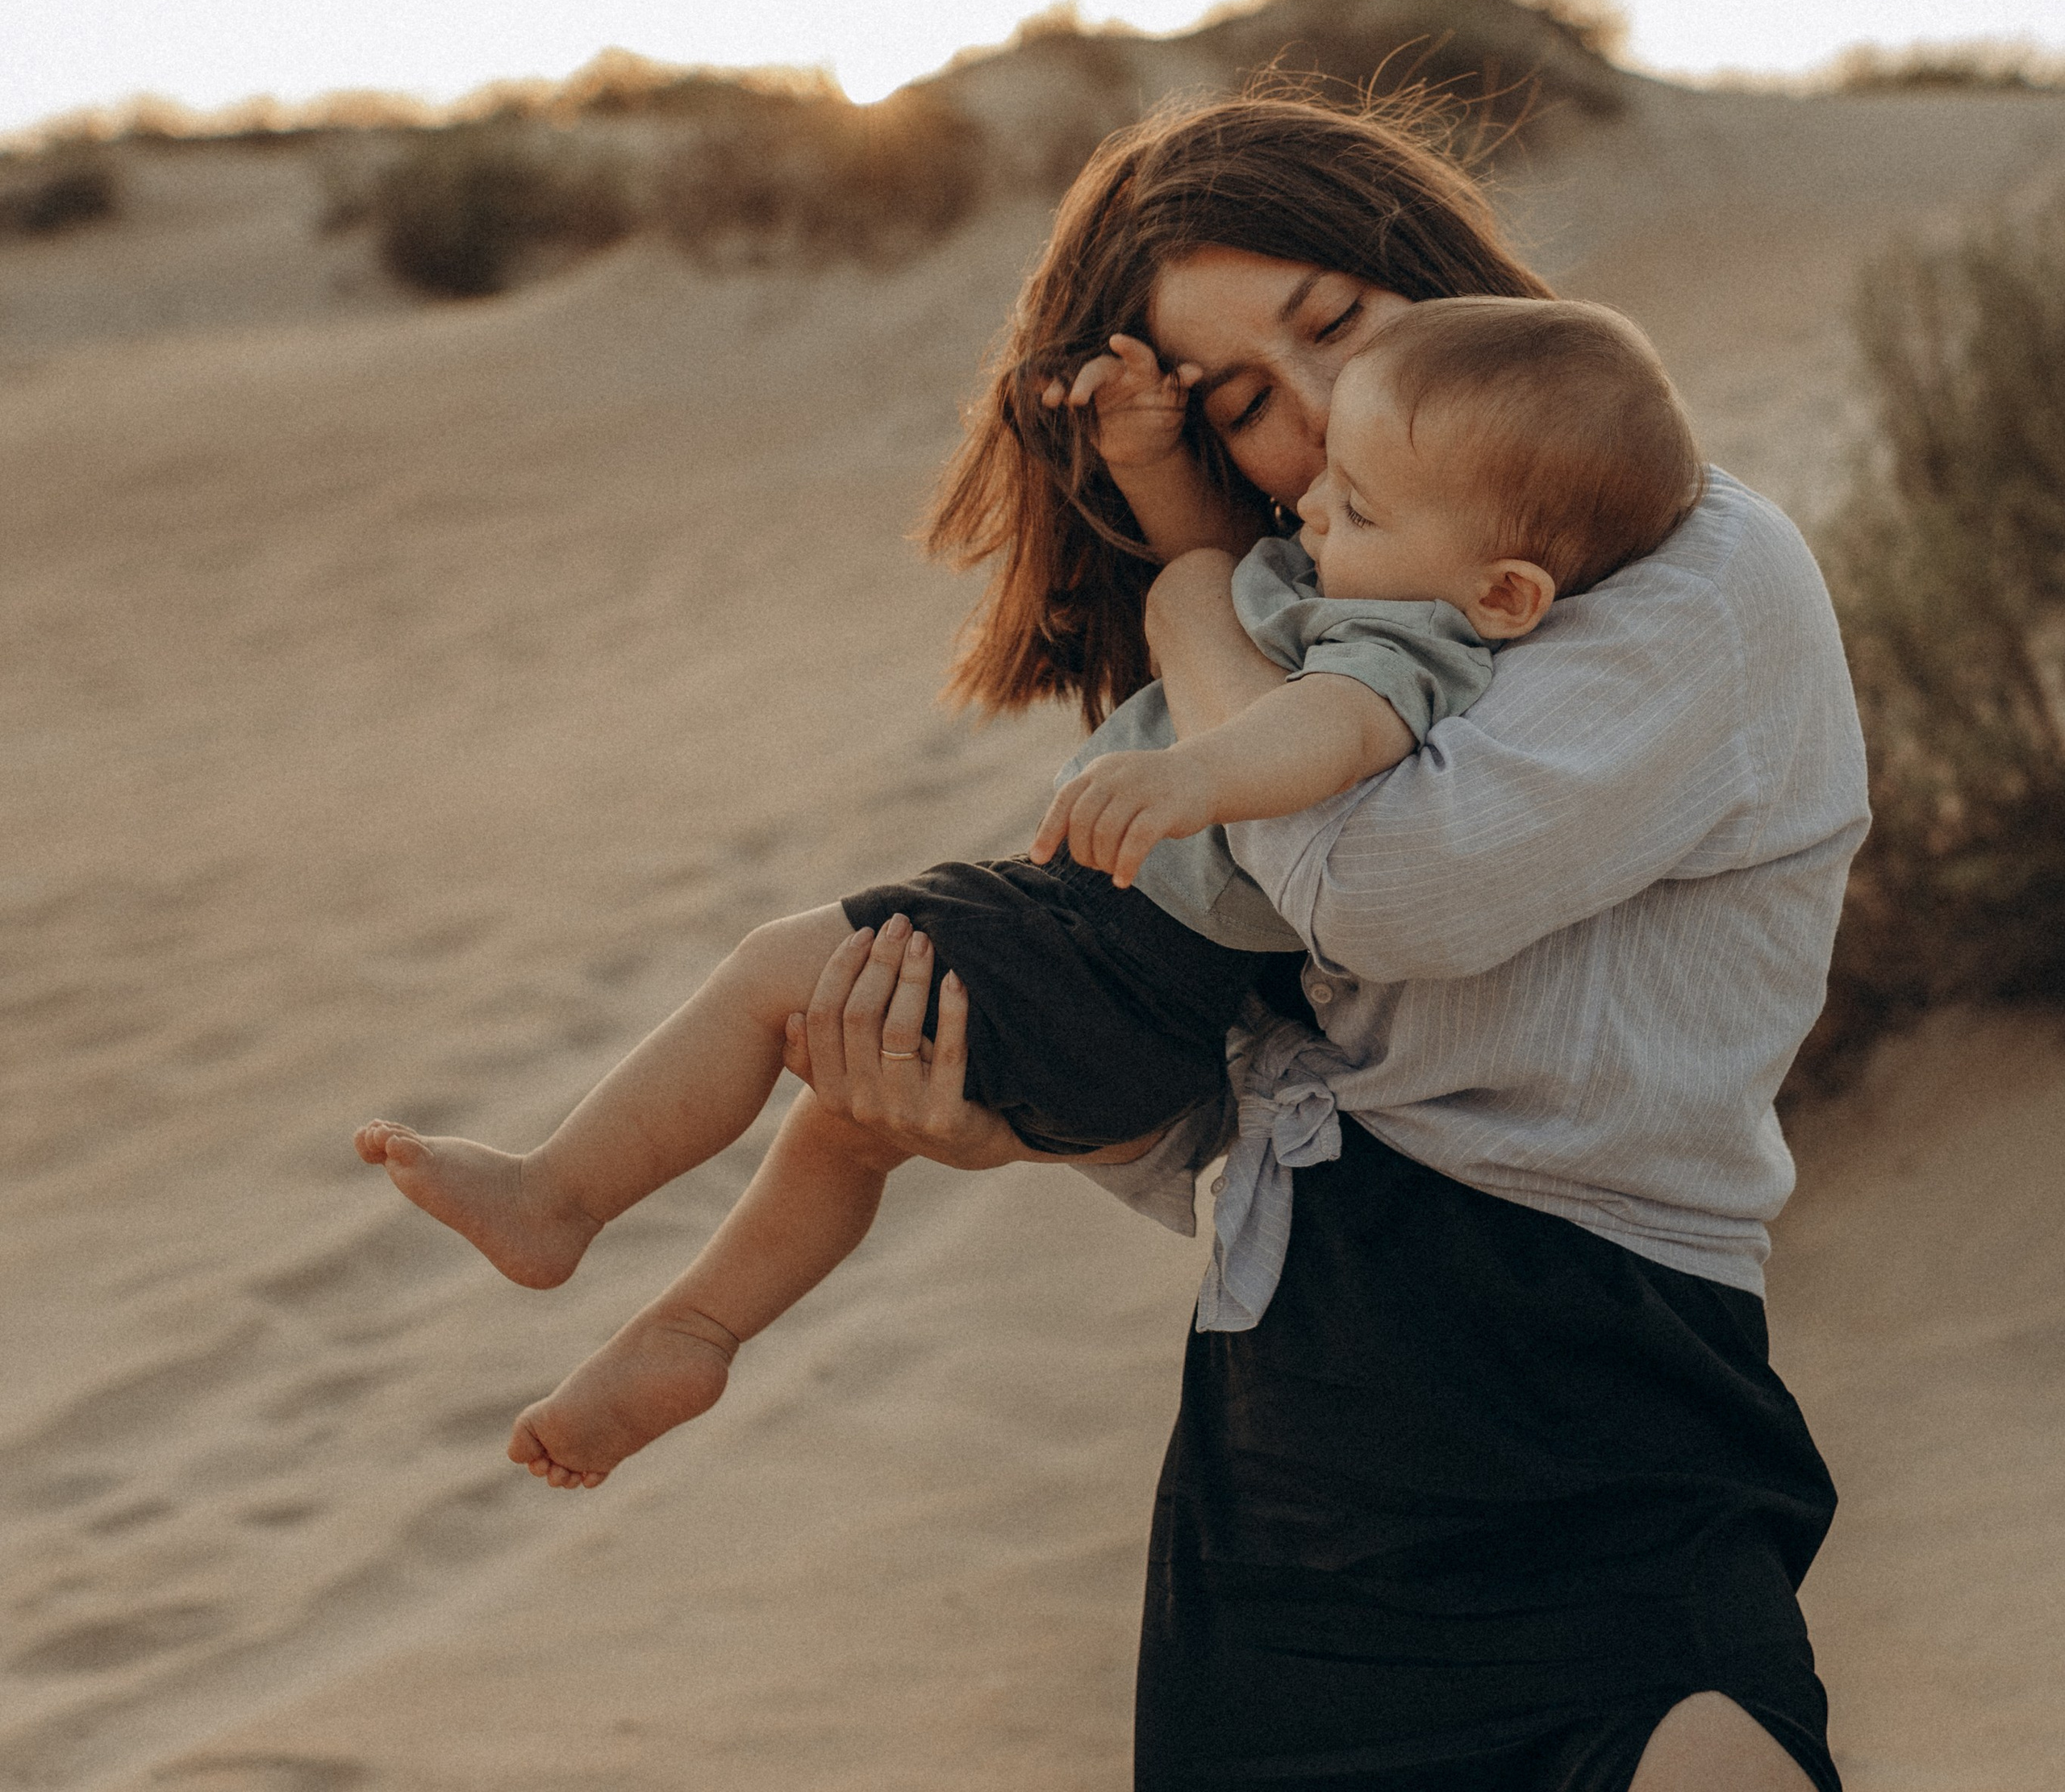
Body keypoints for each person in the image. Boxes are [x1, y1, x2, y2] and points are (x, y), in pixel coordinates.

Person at [779, 91, 1870, 1792]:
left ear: (1426, 275)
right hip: (1289, 1441)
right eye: (1237, 408)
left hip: (1593, 1397)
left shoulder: (1696, 578)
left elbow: (1386, 894)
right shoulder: (1340, 620)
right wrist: (993, 1118)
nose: (1305, 420)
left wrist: (1190, 609)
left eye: (1334, 328)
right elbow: (1255, 1084)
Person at [354, 294, 1700, 1491]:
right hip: (1122, 996)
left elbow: (1327, 735)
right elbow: (1220, 572)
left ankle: (558, 1197)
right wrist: (1149, 458)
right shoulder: (1372, 567)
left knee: (779, 969)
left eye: (1352, 505)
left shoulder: (1409, 638)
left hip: (1114, 954)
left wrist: (1200, 777)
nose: (1308, 509)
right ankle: (693, 1335)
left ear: (1509, 590)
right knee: (843, 1122)